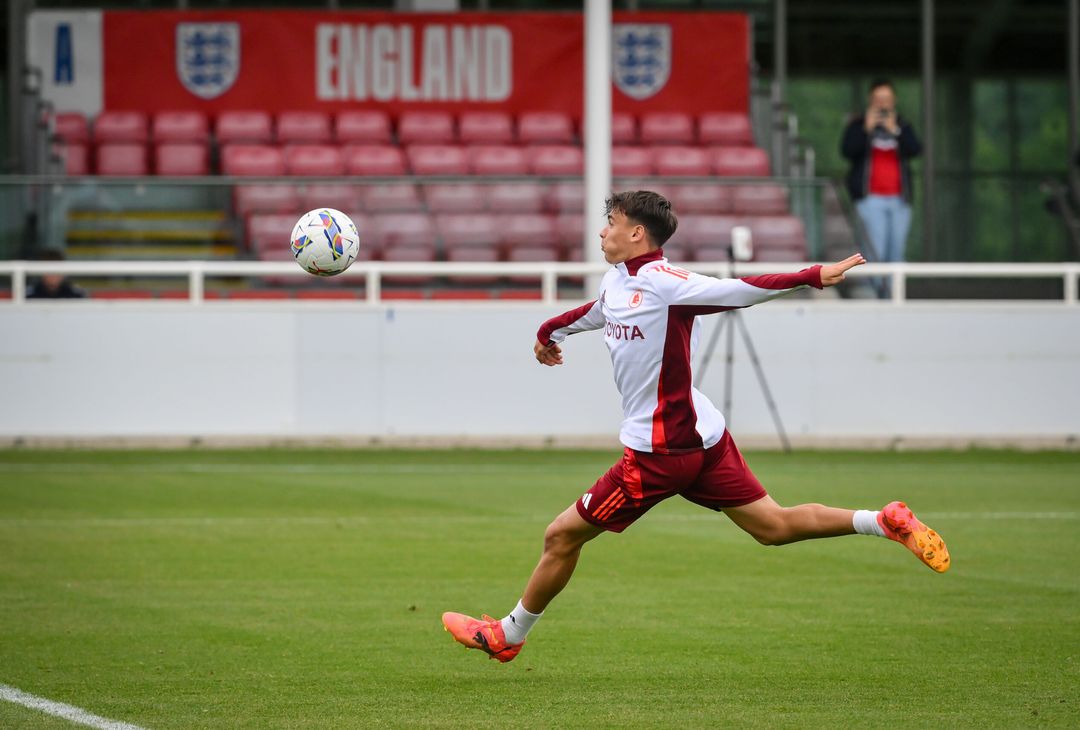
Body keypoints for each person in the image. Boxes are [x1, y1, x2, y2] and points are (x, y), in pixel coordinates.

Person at [442, 191, 949, 663]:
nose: (602, 233)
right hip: (705, 436)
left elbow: (742, 289)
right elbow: (599, 312)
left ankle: (508, 636)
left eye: (611, 223)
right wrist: (549, 333)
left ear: (638, 233)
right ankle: (882, 520)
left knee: (561, 537)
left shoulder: (669, 284)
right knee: (774, 527)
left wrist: (813, 275)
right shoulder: (617, 279)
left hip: (660, 454)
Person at [841, 79, 921, 290]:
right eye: (878, 99)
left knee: (896, 254)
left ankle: (894, 300)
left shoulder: (902, 125)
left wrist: (895, 130)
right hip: (870, 199)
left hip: (899, 200)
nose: (882, 104)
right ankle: (874, 300)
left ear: (894, 101)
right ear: (871, 101)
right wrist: (865, 129)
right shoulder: (858, 125)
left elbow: (915, 150)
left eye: (886, 99)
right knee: (874, 252)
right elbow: (847, 151)